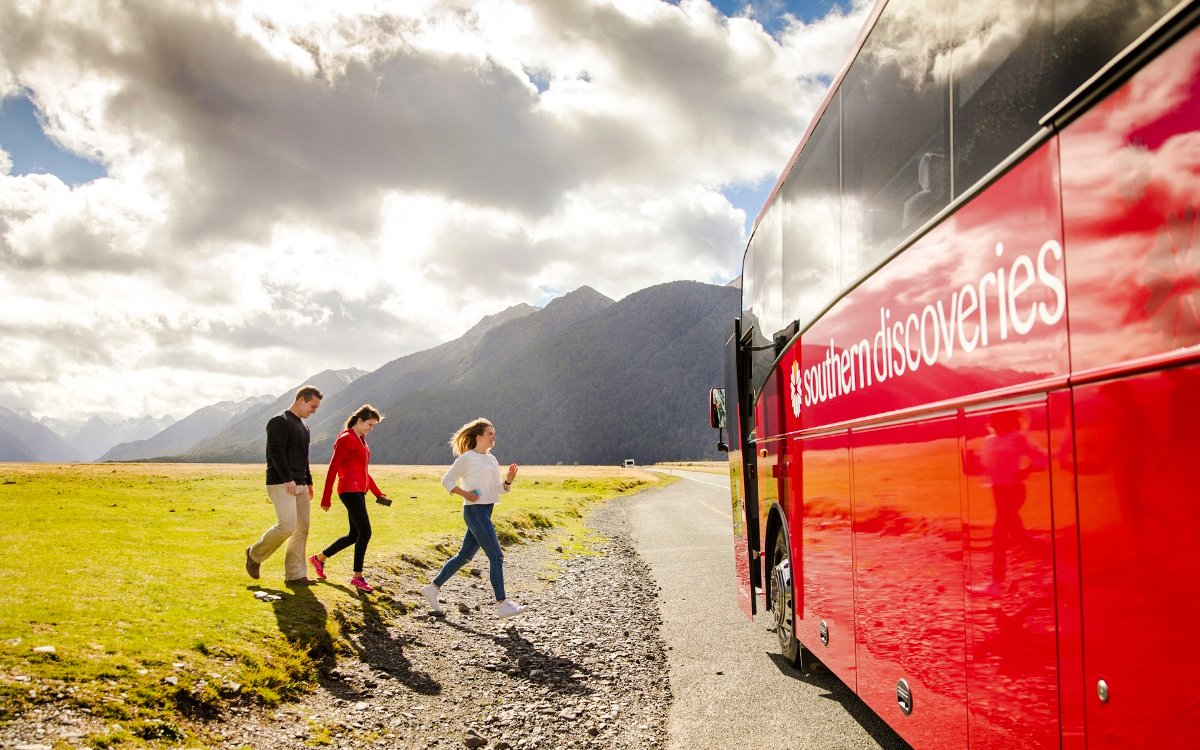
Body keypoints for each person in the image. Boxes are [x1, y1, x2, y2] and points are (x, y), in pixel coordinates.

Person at [420, 418, 524, 619]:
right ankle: (502, 603)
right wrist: (464, 493)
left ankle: (432, 588)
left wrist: (509, 480)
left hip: (486, 510)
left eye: (494, 433)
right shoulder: (466, 458)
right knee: (496, 556)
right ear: (478, 437)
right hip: (475, 511)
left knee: (464, 557)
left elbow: (498, 490)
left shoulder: (492, 459)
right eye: (489, 434)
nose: (493, 437)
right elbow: (446, 480)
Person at [245, 385, 323, 585]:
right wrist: (288, 478)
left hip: (301, 485)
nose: (314, 411)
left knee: (302, 529)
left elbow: (304, 458)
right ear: (301, 400)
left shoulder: (304, 427)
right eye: (313, 406)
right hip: (281, 482)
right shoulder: (279, 421)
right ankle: (254, 555)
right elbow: (276, 452)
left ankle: (295, 575)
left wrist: (309, 482)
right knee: (287, 526)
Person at [309, 405, 389, 593]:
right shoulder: (346, 439)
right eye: (370, 424)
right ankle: (357, 577)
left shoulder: (361, 440)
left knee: (354, 535)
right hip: (348, 490)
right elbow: (333, 468)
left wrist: (378, 493)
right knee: (365, 532)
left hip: (359, 490)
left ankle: (319, 558)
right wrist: (326, 497)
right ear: (360, 421)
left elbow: (364, 472)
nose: (371, 429)